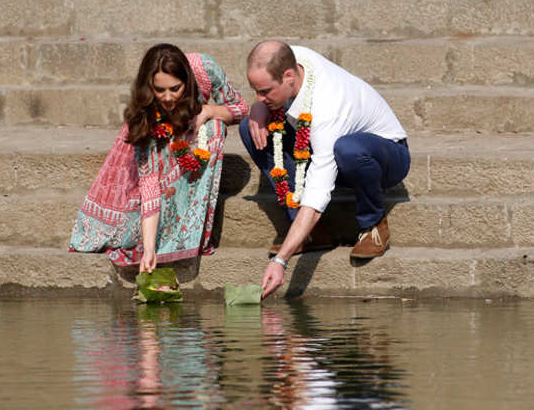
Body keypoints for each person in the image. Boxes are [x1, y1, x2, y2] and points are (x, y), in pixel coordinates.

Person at [239, 40, 410, 299]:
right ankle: (311, 234)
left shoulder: (328, 109)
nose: (260, 98)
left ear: (288, 76)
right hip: (327, 148)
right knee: (249, 127)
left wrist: (280, 261)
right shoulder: (291, 57)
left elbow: (317, 197)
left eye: (265, 92)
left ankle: (373, 224)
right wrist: (259, 107)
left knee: (348, 149)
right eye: (256, 91)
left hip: (385, 155)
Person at [70, 43, 249, 272]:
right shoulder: (146, 117)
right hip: (159, 142)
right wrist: (150, 248)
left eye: (175, 88)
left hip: (193, 133)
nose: (167, 98)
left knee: (214, 129)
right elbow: (149, 183)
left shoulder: (204, 68)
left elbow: (242, 108)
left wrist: (210, 111)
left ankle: (190, 230)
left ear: (188, 81)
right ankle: (166, 236)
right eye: (159, 90)